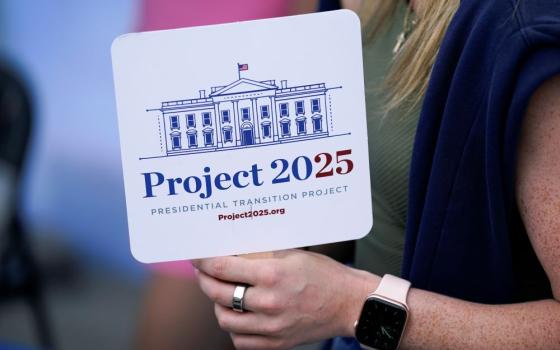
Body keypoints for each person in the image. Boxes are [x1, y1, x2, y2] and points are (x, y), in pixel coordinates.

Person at [192, 0, 560, 349]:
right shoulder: (365, 8)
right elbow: (377, 208)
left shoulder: (525, 31)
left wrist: (355, 307)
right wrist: (277, 240)